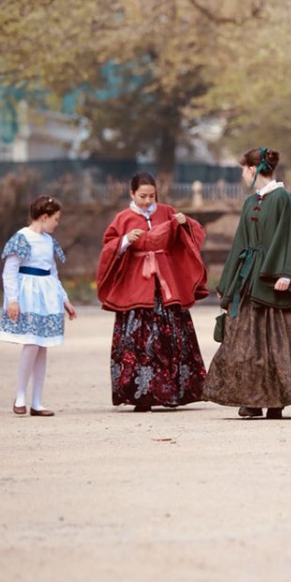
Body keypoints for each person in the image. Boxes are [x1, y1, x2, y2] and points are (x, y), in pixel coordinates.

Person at [203, 148, 291, 418]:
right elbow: (240, 243)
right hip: (249, 279)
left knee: (279, 342)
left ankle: (276, 401)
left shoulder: (283, 198)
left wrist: (286, 273)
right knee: (246, 341)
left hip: (273, 278)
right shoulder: (250, 202)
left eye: (243, 169)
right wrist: (228, 284)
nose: (242, 174)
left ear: (253, 170)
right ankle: (251, 399)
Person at [95, 172, 209, 412]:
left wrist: (184, 223)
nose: (147, 200)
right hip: (136, 286)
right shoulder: (123, 218)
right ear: (132, 194)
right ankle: (142, 394)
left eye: (151, 196)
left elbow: (193, 235)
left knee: (172, 336)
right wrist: (125, 240)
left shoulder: (167, 212)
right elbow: (108, 248)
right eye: (142, 196)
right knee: (138, 339)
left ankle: (174, 392)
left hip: (166, 285)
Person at [0, 195, 77, 417]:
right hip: (28, 295)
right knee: (31, 343)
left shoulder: (49, 241)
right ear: (44, 217)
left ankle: (37, 401)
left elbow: (53, 272)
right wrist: (12, 299)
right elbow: (10, 271)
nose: (57, 223)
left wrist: (64, 299)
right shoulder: (22, 238)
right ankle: (21, 394)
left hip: (47, 295)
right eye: (56, 218)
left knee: (42, 346)